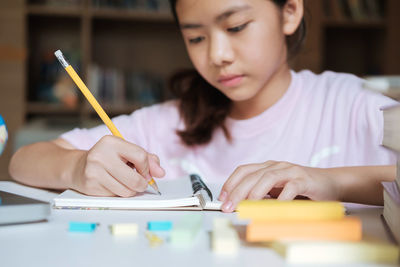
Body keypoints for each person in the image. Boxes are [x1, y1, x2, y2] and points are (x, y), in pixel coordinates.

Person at [9, 0, 398, 213]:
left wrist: (335, 181)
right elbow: (23, 160)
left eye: (236, 27)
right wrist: (76, 167)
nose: (217, 55)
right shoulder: (171, 122)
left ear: (290, 12)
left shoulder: (346, 104)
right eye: (196, 38)